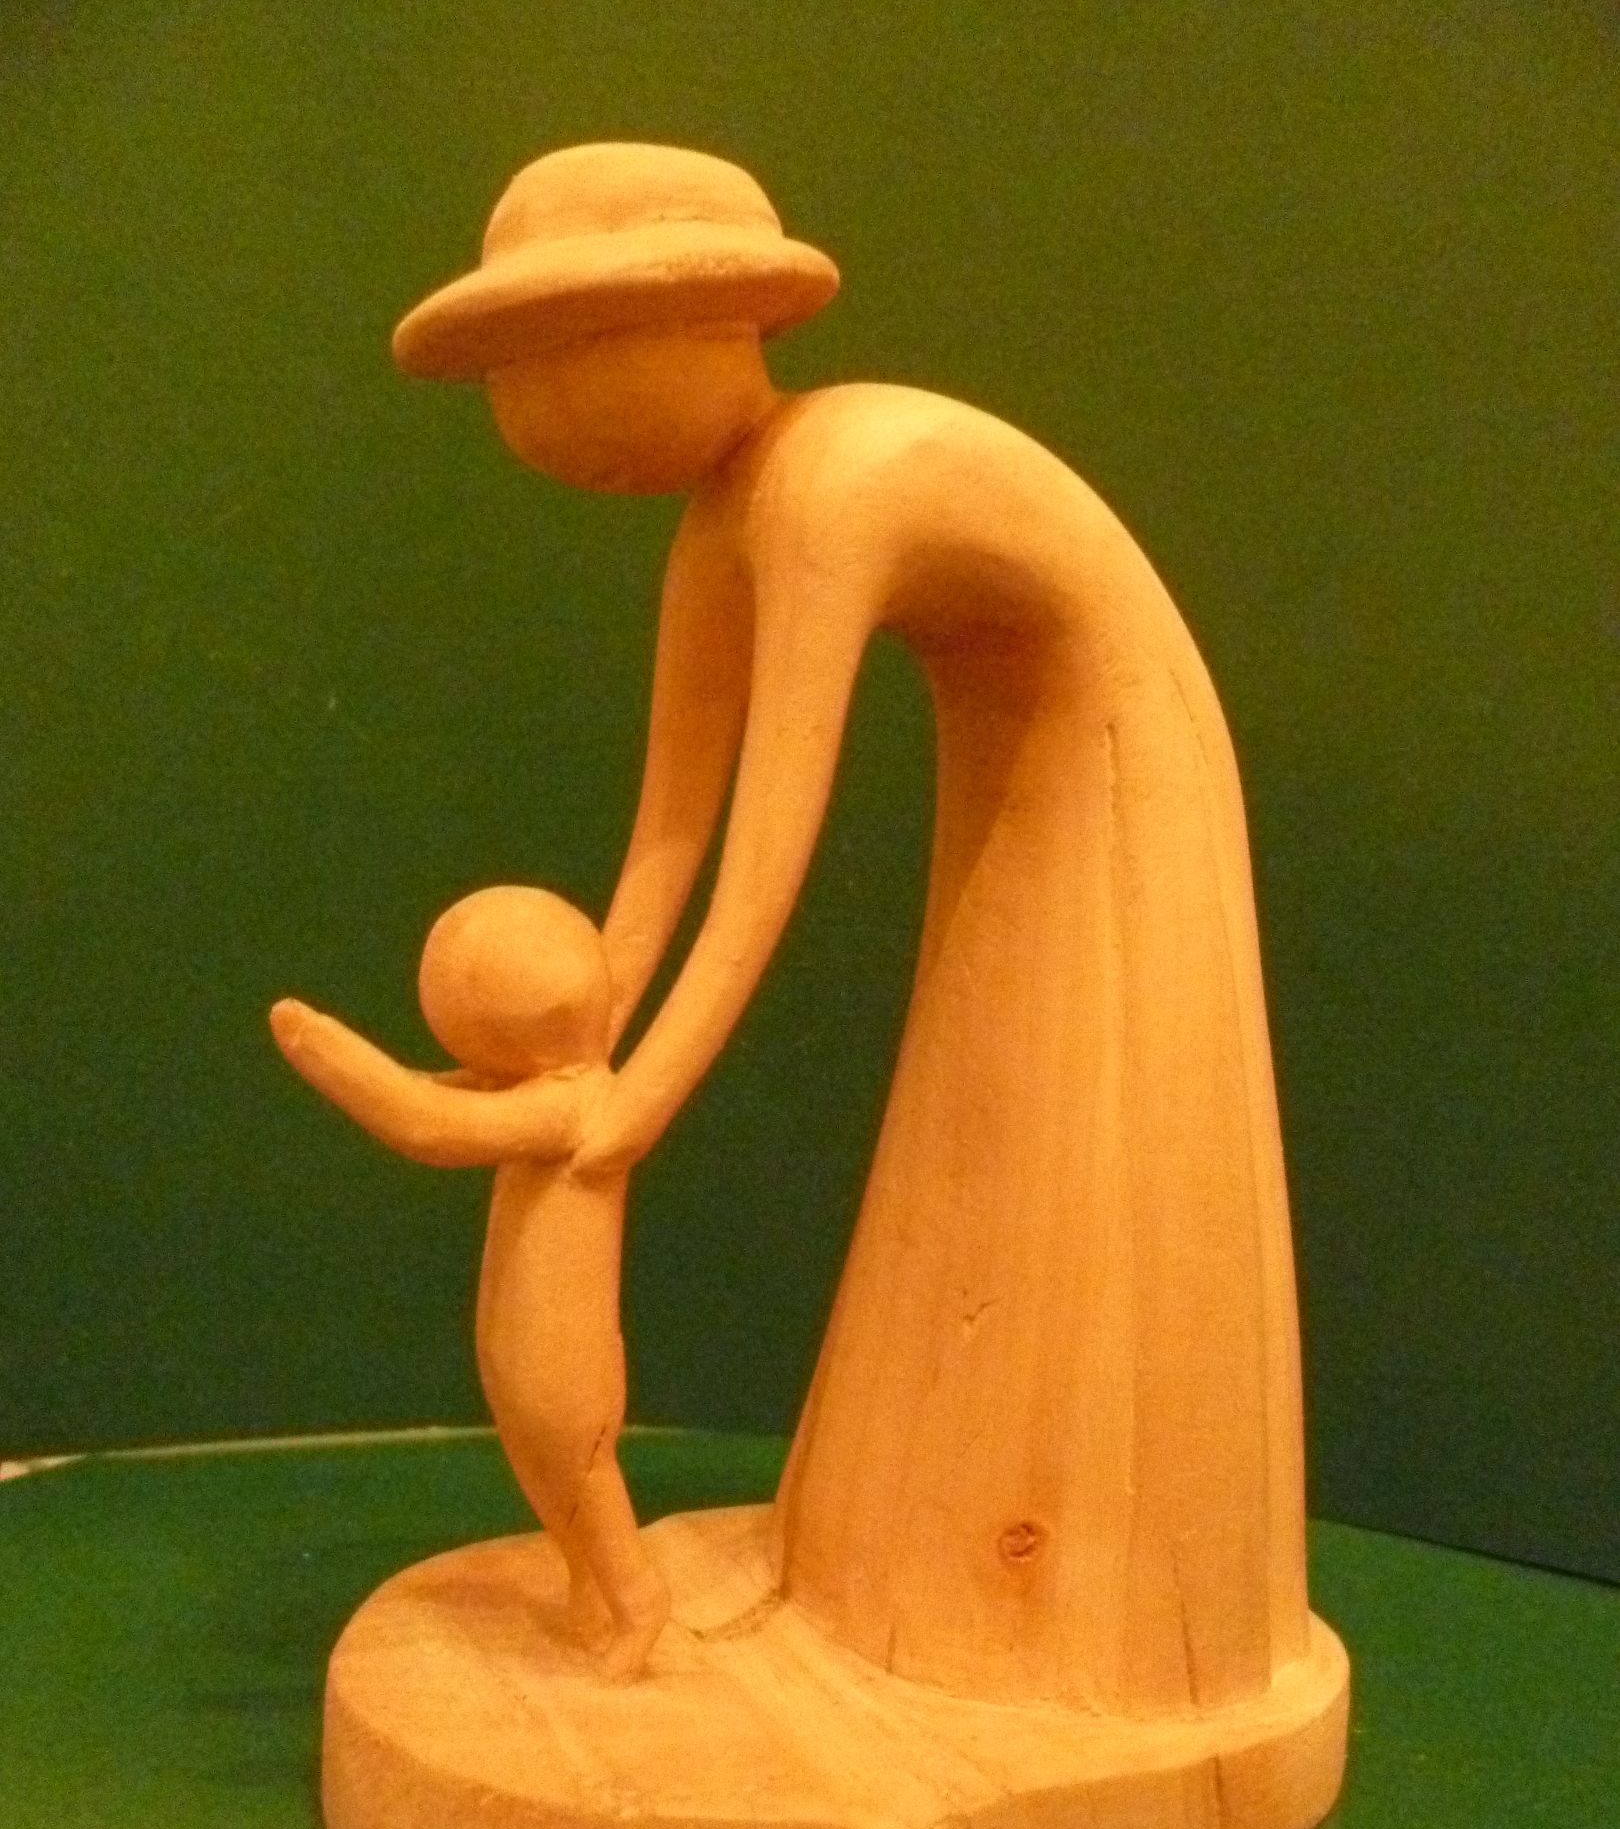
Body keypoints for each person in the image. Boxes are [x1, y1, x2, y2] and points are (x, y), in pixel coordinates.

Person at [388, 143, 1310, 1717]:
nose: (528, 408)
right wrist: (589, 1020)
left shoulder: (840, 480)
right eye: (507, 374)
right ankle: (897, 1568)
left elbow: (774, 837)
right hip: (1029, 766)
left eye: (552, 356)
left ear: (707, 322)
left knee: (1072, 1140)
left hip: (1119, 784)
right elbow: (672, 820)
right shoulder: (725, 513)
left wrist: (642, 1095)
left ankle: (1078, 1624)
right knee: (973, 1147)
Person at [270, 884, 671, 1681]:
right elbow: (427, 1093)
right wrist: (384, 1075)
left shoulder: (573, 1102)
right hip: (518, 1340)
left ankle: (638, 1600)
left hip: (564, 1356)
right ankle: (589, 1586)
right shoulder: (535, 1087)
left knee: (580, 1466)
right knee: (544, 1468)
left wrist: (324, 1048)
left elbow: (426, 1124)